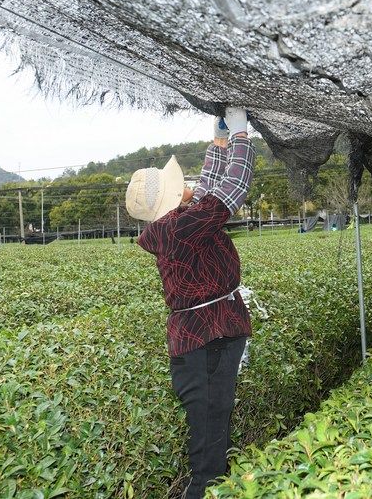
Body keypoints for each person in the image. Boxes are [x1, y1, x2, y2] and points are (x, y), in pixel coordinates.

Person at [126, 107, 255, 499]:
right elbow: (230, 190)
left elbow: (209, 188)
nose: (188, 185)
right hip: (207, 342)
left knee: (212, 431)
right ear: (168, 198)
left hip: (203, 341)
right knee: (210, 444)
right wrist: (241, 137)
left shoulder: (175, 221)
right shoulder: (182, 226)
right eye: (177, 184)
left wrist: (218, 142)